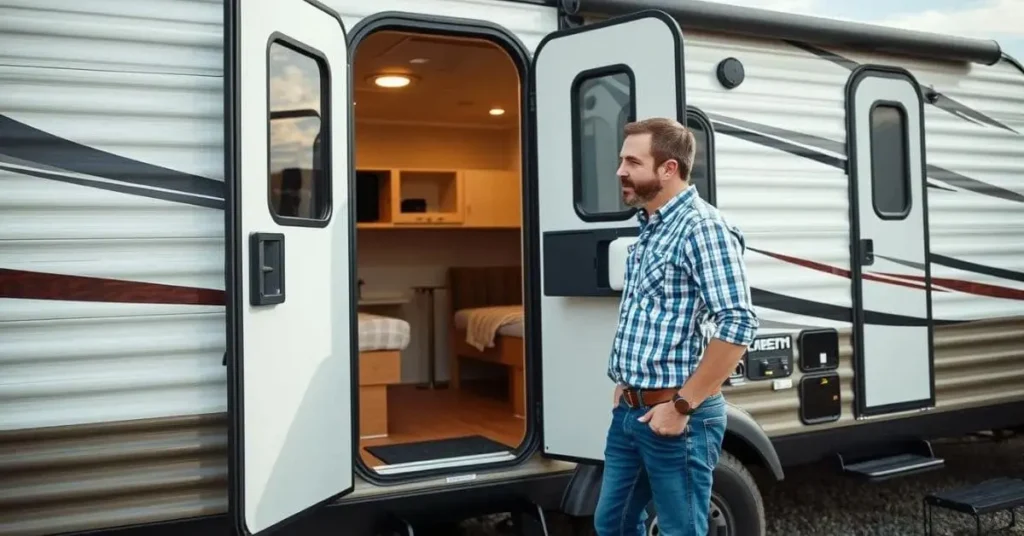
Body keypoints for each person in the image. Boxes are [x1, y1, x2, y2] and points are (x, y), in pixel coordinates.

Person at [593, 117, 759, 536]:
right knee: (611, 524)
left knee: (681, 529)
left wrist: (682, 405)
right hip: (632, 412)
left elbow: (738, 322)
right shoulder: (650, 227)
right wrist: (627, 385)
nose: (620, 172)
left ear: (668, 169)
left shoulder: (703, 228)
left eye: (632, 161)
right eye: (621, 160)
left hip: (679, 418)